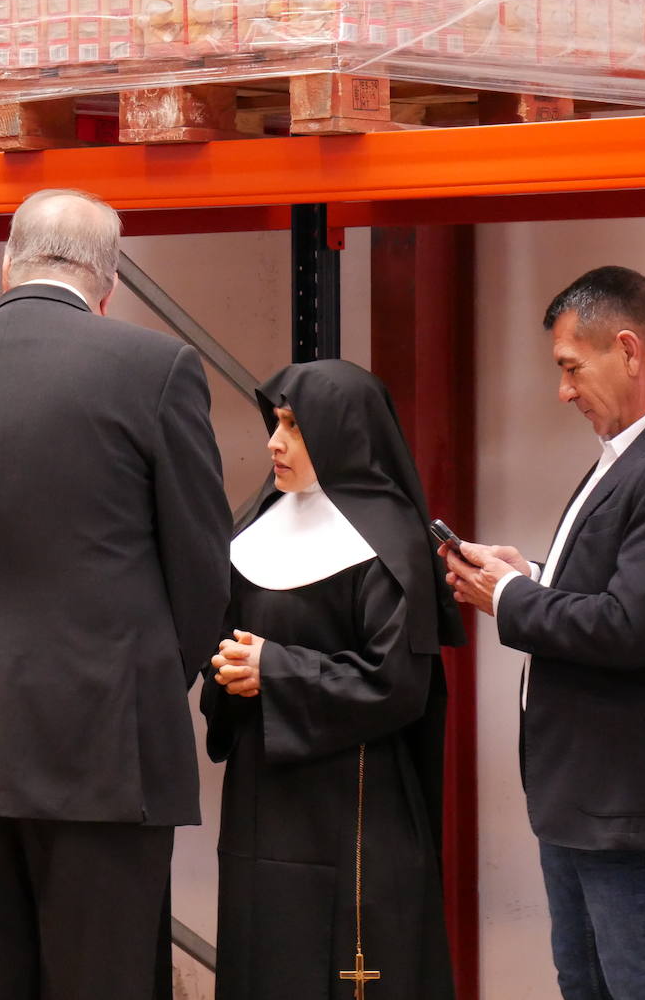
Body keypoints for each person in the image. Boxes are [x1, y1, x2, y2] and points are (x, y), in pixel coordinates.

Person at [0, 188, 232, 1000]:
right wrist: (136, 676)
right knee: (100, 979)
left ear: (7, 263)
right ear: (108, 282)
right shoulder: (156, 369)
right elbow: (202, 567)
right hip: (102, 747)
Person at [442, 266, 645, 1000]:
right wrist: (535, 573)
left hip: (624, 802)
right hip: (584, 794)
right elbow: (620, 592)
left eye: (570, 367)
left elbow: (630, 626)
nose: (564, 390)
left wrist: (510, 597)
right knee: (587, 985)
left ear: (628, 349)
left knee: (639, 985)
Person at [202, 360, 462, 1000]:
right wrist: (230, 671)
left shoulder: (389, 542)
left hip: (358, 802)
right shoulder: (257, 529)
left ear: (343, 434)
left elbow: (397, 682)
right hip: (263, 800)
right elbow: (228, 651)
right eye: (275, 423)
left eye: (294, 425)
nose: (275, 442)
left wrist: (276, 669)